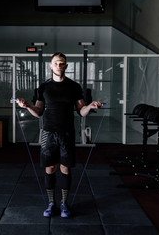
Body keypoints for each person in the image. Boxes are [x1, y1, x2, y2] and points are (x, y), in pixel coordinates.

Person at [16, 52, 103, 218]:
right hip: (48, 133)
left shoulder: (74, 87)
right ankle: (51, 203)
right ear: (50, 65)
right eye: (56, 63)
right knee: (50, 168)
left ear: (66, 66)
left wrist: (90, 106)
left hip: (67, 133)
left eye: (62, 63)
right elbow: (38, 112)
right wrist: (27, 106)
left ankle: (64, 203)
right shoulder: (43, 87)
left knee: (65, 168)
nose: (59, 66)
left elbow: (81, 112)